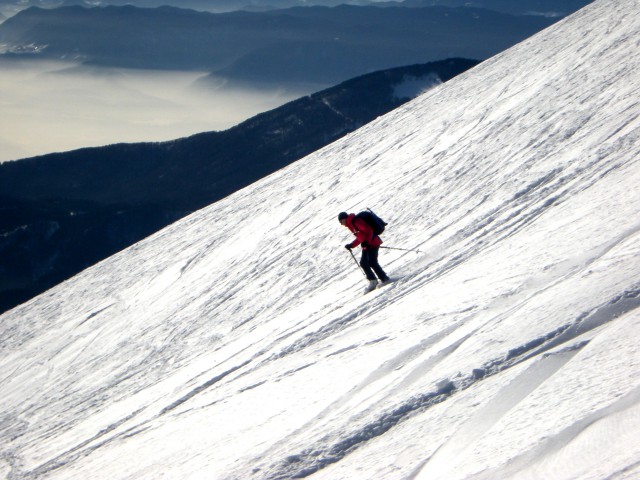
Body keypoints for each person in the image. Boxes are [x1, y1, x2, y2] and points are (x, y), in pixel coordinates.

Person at [339, 211, 390, 292]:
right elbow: (361, 237)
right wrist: (351, 245)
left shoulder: (355, 221)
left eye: (341, 221)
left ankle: (380, 279)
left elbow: (369, 230)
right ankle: (378, 279)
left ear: (344, 219)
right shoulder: (351, 224)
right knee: (365, 263)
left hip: (372, 243)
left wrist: (366, 242)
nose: (341, 224)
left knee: (371, 262)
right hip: (368, 244)